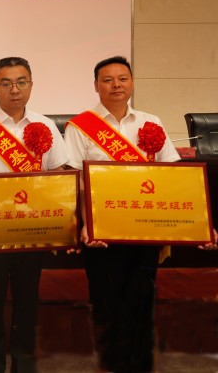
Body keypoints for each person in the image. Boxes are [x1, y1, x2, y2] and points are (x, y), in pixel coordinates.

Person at [63, 56, 179, 373]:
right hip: (102, 230)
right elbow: (76, 182)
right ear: (96, 85)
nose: (116, 85)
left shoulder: (150, 122)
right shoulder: (80, 126)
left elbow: (172, 174)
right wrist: (87, 224)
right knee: (107, 300)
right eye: (108, 79)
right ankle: (110, 365)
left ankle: (140, 366)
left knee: (142, 300)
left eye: (123, 78)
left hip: (145, 226)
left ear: (132, 83)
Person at [0, 57, 70, 373]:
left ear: (30, 85)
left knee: (27, 300)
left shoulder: (45, 126)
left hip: (34, 230)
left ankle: (24, 363)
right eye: (5, 83)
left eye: (21, 82)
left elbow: (59, 175)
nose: (14, 90)